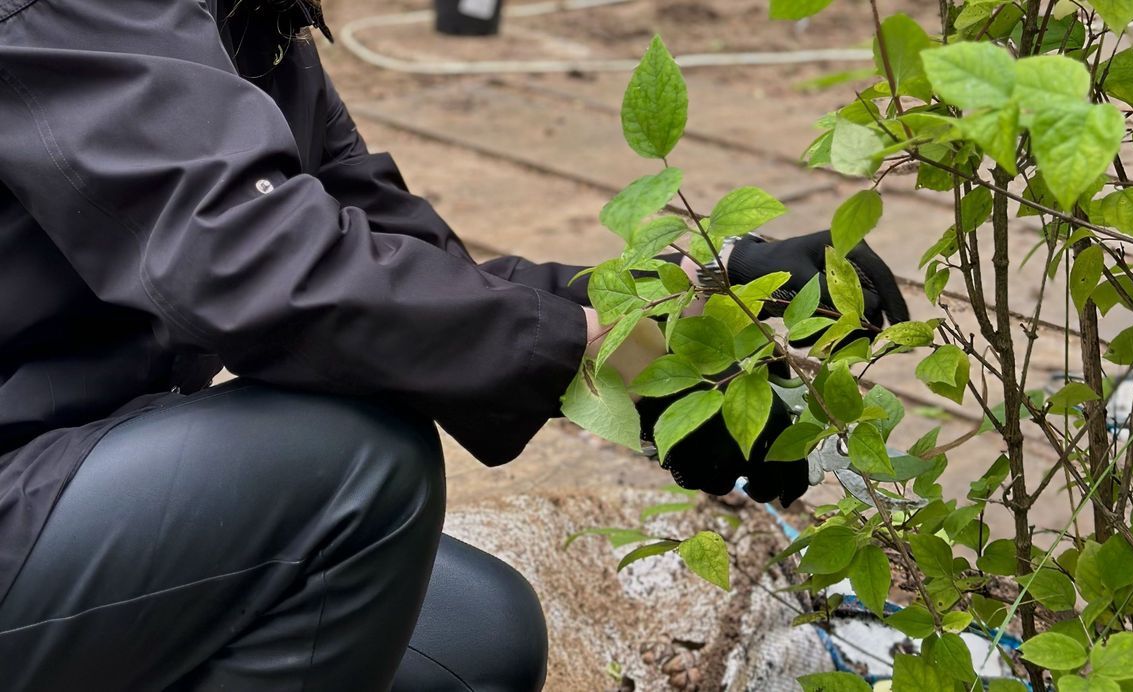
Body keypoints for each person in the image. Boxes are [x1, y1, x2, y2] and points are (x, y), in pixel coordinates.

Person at [0, 0, 908, 690]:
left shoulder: (247, 18)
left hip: (63, 472)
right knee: (349, 473)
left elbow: (389, 256)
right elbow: (252, 262)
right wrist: (577, 344)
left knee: (477, 643)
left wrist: (679, 329)